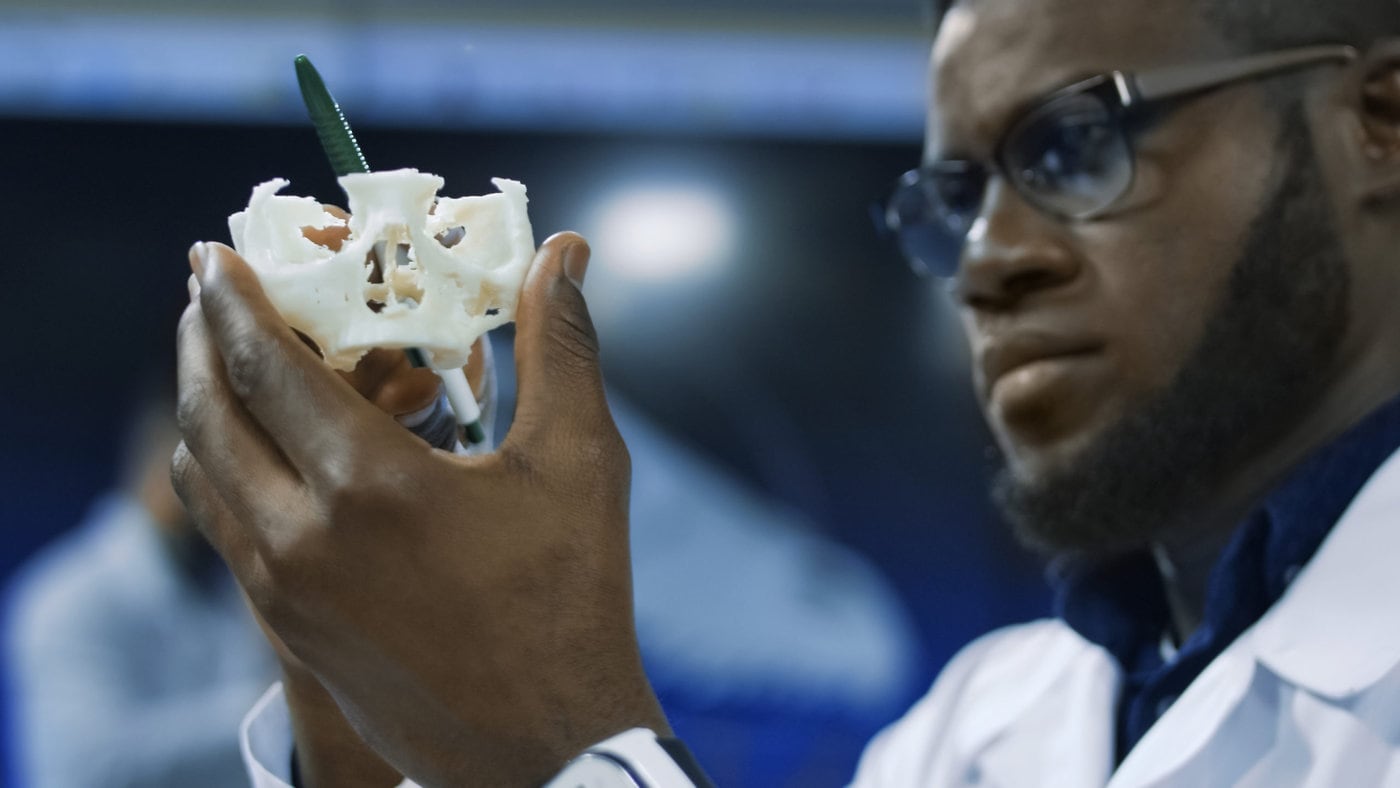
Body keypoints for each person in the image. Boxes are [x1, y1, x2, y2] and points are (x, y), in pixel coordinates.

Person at [172, 0, 1400, 782]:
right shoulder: (982, 728)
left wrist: (567, 744)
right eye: (953, 196)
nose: (986, 257)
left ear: (1376, 123)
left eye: (1074, 146)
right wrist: (363, 724)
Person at [4, 392, 280, 788]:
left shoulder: (223, 586)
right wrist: (282, 707)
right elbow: (95, 767)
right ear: (167, 463)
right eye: (230, 470)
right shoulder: (65, 594)